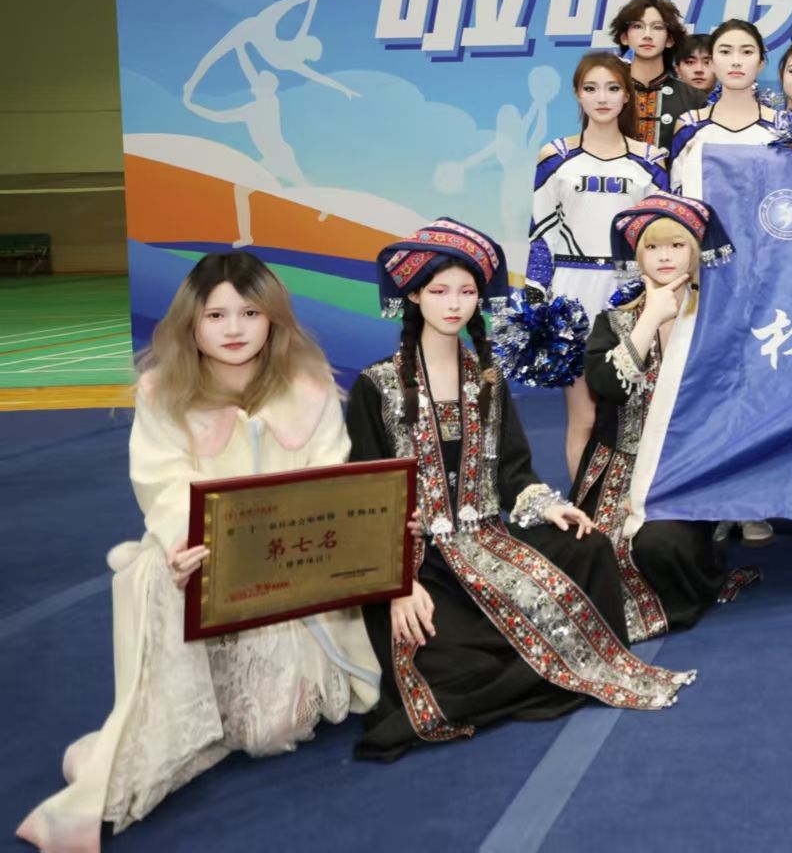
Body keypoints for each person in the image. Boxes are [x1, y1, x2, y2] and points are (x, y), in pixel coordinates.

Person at [19, 253, 380, 850]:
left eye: (250, 313)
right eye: (215, 315)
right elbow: (162, 481)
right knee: (162, 580)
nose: (234, 328)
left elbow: (329, 481)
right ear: (191, 322)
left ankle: (171, 730)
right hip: (197, 560)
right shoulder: (164, 392)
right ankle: (134, 750)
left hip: (287, 577)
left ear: (273, 319)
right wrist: (188, 540)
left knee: (272, 733)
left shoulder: (309, 388)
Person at [345, 219, 692, 759]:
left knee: (589, 545)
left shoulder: (486, 379)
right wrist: (397, 585)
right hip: (418, 561)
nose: (454, 304)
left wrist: (548, 507)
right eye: (439, 291)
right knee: (446, 662)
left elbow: (513, 474)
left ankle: (535, 663)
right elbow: (366, 499)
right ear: (413, 295)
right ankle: (521, 665)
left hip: (489, 538)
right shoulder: (377, 385)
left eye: (466, 292)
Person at [577, 194, 760, 623]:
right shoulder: (613, 322)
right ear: (638, 256)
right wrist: (649, 319)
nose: (664, 256)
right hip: (617, 470)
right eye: (653, 246)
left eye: (676, 245)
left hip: (686, 472)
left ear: (694, 253)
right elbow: (607, 387)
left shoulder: (717, 323)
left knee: (659, 545)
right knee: (587, 555)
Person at [528, 52, 670, 479]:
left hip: (632, 292)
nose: (602, 98)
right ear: (578, 95)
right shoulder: (555, 155)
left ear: (627, 95)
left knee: (639, 417)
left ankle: (631, 506)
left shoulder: (651, 159)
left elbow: (661, 235)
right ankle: (584, 511)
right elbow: (541, 234)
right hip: (571, 292)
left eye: (612, 88)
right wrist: (536, 298)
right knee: (584, 417)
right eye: (591, 88)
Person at [668, 20, 779, 204]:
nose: (736, 62)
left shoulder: (782, 126)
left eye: (747, 52)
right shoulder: (690, 124)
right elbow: (676, 192)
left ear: (761, 63)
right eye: (725, 52)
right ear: (712, 63)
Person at [608, 0, 698, 146]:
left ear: (669, 39)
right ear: (624, 37)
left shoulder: (693, 99)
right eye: (638, 26)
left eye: (657, 27)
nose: (647, 35)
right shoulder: (607, 94)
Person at [675, 33, 716, 99]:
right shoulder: (662, 103)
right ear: (677, 70)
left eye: (707, 62)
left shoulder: (732, 104)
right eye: (690, 62)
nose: (699, 69)